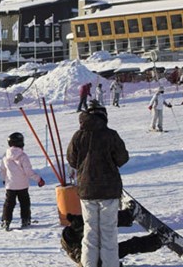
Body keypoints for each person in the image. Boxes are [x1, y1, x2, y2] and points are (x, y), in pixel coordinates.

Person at [66, 100, 129, 267]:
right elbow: (122, 158)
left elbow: (71, 159)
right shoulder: (111, 135)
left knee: (90, 231)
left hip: (87, 190)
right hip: (109, 190)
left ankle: (88, 264)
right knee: (108, 232)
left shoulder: (78, 135)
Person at [61, 202, 163, 265]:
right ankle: (157, 240)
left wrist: (76, 224)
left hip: (83, 251)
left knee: (93, 223)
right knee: (127, 246)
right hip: (100, 261)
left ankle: (127, 217)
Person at [0, 132, 45, 231]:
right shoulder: (23, 156)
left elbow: (2, 170)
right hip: (22, 185)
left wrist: (4, 179)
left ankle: (6, 221)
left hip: (10, 185)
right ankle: (25, 220)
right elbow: (28, 172)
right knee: (24, 203)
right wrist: (39, 179)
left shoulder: (5, 156)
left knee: (9, 204)